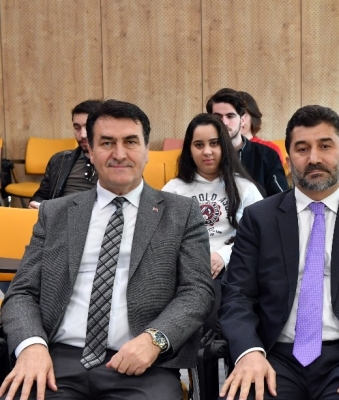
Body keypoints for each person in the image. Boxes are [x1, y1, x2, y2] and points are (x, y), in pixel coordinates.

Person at [0, 100, 214, 400]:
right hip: (56, 360)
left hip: (142, 361)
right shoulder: (56, 213)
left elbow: (198, 291)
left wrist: (154, 340)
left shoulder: (181, 213)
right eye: (107, 143)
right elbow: (21, 291)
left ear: (146, 150)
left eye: (130, 142)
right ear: (90, 150)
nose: (119, 154)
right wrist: (31, 346)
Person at [218, 105, 339, 400]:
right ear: (288, 160)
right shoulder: (260, 219)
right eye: (302, 149)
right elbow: (237, 295)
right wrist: (249, 352)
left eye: (325, 146)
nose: (313, 159)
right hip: (273, 356)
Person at [162, 113, 263, 330]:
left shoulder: (245, 188)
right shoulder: (173, 189)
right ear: (189, 149)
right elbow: (163, 239)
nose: (207, 151)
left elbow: (260, 237)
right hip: (186, 270)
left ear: (224, 147)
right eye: (199, 145)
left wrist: (224, 256)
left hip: (232, 268)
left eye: (214, 143)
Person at [206, 88, 288, 197]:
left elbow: (281, 198)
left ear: (243, 119)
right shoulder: (203, 155)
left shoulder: (267, 155)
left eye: (230, 116)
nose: (224, 122)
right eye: (218, 117)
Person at [29, 100, 103, 209]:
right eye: (77, 128)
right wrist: (36, 204)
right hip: (58, 215)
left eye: (88, 127)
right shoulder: (60, 160)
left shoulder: (115, 162)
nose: (82, 135)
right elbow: (41, 195)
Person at [239, 91, 284, 163]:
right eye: (230, 116)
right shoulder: (221, 149)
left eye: (242, 114)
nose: (237, 120)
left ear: (253, 117)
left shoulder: (271, 149)